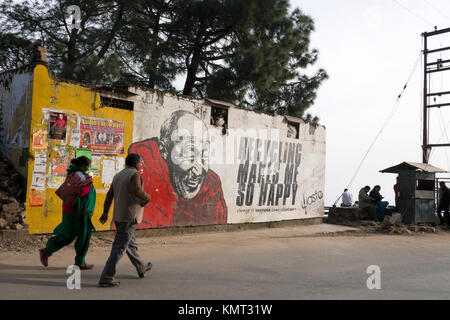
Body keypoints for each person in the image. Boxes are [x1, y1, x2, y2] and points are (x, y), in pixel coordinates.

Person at [128, 110, 227, 229]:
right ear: (164, 151)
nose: (198, 171)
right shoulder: (146, 168)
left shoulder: (211, 183)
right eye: (190, 157)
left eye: (204, 157)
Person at [98, 153, 152, 287]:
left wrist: (105, 212)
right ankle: (107, 277)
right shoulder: (134, 174)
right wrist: (147, 198)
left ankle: (141, 267)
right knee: (120, 247)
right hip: (129, 216)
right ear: (136, 163)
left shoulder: (118, 175)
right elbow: (137, 190)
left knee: (130, 244)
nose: (141, 165)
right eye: (140, 163)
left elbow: (109, 195)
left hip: (119, 216)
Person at [39, 156, 96, 269]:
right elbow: (83, 195)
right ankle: (80, 262)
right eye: (88, 165)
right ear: (85, 166)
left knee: (68, 234)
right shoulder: (83, 177)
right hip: (80, 211)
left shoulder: (72, 174)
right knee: (83, 236)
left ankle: (47, 251)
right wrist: (84, 210)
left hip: (68, 209)